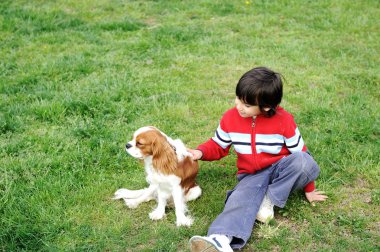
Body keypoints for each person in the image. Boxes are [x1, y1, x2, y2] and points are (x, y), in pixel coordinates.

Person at [188, 67, 328, 252]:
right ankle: (220, 239)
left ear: (266, 107)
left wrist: (309, 189)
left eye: (246, 105)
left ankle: (268, 199)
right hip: (251, 176)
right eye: (238, 99)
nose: (239, 106)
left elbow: (300, 154)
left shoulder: (284, 121)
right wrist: (200, 152)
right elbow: (218, 145)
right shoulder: (230, 118)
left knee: (303, 160)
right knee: (239, 199)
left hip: (281, 169)